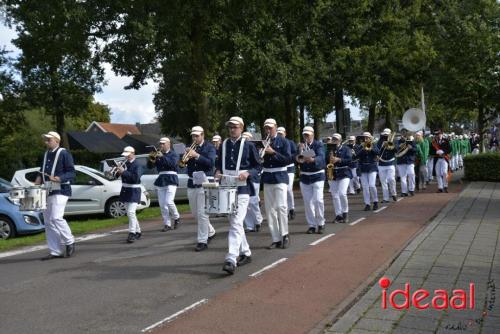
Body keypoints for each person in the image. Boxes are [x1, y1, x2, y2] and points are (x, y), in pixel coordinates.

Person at [215, 117, 260, 275]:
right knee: (235, 222)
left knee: (235, 221)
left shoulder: (249, 145)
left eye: (235, 127)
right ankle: (246, 252)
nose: (232, 129)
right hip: (226, 186)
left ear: (241, 127)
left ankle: (231, 258)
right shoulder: (224, 144)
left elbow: (258, 166)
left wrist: (248, 173)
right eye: (230, 127)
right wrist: (217, 172)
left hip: (243, 189)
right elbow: (219, 164)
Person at [36, 131, 76, 260]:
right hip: (47, 190)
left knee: (56, 218)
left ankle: (69, 241)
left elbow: (71, 172)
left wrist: (59, 178)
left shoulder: (64, 153)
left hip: (61, 189)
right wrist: (38, 179)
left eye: (49, 140)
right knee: (48, 221)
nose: (46, 142)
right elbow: (42, 170)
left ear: (57, 141)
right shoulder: (46, 154)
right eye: (46, 140)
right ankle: (55, 250)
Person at [261, 118, 292, 249]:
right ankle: (276, 238)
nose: (268, 130)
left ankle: (284, 234)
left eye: (270, 128)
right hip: (268, 176)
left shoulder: (284, 142)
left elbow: (287, 159)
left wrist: (273, 152)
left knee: (282, 207)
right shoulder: (262, 142)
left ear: (276, 127)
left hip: (280, 176)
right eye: (266, 128)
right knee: (269, 210)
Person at [186, 126, 217, 251]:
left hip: (205, 182)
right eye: (193, 136)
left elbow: (210, 163)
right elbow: (183, 164)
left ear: (203, 135)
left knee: (202, 213)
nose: (195, 138)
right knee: (195, 214)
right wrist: (186, 158)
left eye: (197, 136)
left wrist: (197, 155)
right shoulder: (190, 147)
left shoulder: (209, 147)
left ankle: (202, 241)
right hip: (192, 182)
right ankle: (210, 231)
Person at [296, 126, 326, 232]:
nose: (306, 137)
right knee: (308, 202)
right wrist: (299, 151)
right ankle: (312, 225)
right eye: (304, 135)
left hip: (317, 175)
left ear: (312, 134)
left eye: (308, 135)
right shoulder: (301, 145)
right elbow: (296, 159)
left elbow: (322, 157)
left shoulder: (318, 144)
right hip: (305, 176)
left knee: (318, 200)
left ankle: (321, 223)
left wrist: (313, 160)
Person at [148, 137, 181, 232]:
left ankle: (176, 217)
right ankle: (167, 223)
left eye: (163, 144)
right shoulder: (158, 155)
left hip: (171, 178)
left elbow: (172, 164)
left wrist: (162, 156)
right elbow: (149, 167)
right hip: (161, 178)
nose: (161, 145)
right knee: (162, 204)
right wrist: (151, 159)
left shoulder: (174, 154)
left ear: (168, 144)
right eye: (160, 144)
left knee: (169, 201)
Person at [116, 146, 143, 243]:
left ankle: (132, 233)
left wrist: (124, 171)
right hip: (125, 190)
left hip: (134, 190)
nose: (126, 157)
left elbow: (135, 178)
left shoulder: (138, 165)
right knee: (130, 213)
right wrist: (117, 171)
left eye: (128, 155)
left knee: (131, 212)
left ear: (133, 153)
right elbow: (116, 176)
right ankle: (138, 231)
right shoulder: (125, 164)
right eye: (125, 155)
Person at [327, 133, 353, 223]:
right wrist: (329, 157)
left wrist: (339, 160)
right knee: (335, 195)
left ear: (340, 140)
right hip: (333, 173)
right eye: (333, 139)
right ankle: (338, 215)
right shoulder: (329, 149)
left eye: (337, 139)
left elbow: (350, 160)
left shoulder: (346, 149)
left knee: (342, 193)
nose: (335, 140)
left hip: (344, 172)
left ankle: (345, 213)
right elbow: (325, 160)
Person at [242, 131, 263, 232]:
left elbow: (258, 165)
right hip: (242, 179)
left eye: (247, 138)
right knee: (244, 203)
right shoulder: (240, 149)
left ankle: (258, 220)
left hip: (253, 178)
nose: (245, 139)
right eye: (243, 137)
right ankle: (249, 225)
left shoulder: (253, 148)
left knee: (253, 201)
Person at [277, 126, 297, 220]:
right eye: (278, 133)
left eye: (281, 133)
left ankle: (291, 208)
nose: (280, 135)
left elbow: (294, 154)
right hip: (280, 168)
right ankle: (284, 210)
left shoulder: (290, 143)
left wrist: (286, 158)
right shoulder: (275, 142)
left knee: (288, 189)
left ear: (285, 133)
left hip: (289, 168)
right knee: (282, 191)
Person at [357, 132, 380, 211]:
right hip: (363, 168)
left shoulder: (374, 144)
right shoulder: (360, 146)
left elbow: (377, 152)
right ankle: (367, 203)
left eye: (367, 137)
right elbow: (357, 155)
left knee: (372, 185)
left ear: (370, 138)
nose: (366, 139)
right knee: (365, 187)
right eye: (364, 138)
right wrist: (363, 148)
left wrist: (371, 148)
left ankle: (375, 201)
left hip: (372, 167)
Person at [377, 128, 397, 202]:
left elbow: (396, 150)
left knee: (391, 179)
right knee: (383, 182)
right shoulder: (380, 141)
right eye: (385, 134)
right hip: (381, 164)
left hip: (390, 163)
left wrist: (392, 145)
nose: (386, 136)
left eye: (387, 134)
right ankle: (385, 198)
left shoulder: (394, 140)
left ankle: (393, 193)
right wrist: (382, 146)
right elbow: (377, 151)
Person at [396, 130, 416, 197]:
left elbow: (415, 150)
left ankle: (411, 189)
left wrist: (411, 148)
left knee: (411, 174)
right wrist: (399, 146)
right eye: (402, 134)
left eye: (404, 134)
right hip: (401, 161)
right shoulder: (398, 141)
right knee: (403, 177)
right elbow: (395, 150)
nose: (403, 136)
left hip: (409, 161)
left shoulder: (411, 141)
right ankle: (404, 191)